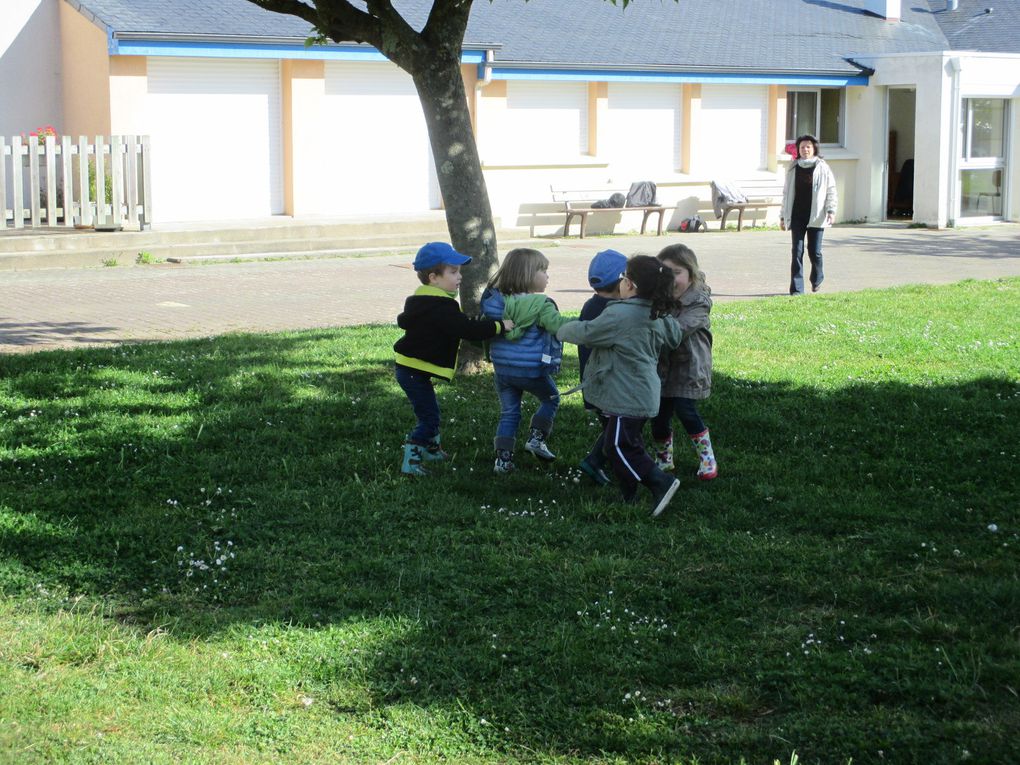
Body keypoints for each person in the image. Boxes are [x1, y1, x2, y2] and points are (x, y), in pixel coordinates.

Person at [557, 255, 684, 518]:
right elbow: (674, 336)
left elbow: (588, 333)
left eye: (625, 277)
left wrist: (559, 329)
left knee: (617, 446)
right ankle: (628, 494)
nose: (622, 282)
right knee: (624, 443)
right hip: (641, 393)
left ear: (632, 285)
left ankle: (660, 482)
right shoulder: (656, 312)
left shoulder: (619, 313)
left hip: (627, 394)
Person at [394, 242, 514, 476]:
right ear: (433, 277)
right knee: (428, 417)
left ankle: (432, 449)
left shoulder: (422, 301)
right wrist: (499, 326)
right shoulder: (441, 306)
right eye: (453, 271)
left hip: (410, 368)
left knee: (431, 411)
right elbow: (467, 331)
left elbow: (414, 320)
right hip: (412, 371)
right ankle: (411, 461)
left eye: (459, 271)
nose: (459, 277)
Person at [480, 248, 571, 474]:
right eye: (543, 270)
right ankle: (536, 439)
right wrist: (586, 325)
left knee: (509, 412)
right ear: (528, 274)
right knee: (551, 399)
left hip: (503, 370)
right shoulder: (541, 305)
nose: (547, 276)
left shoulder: (494, 302)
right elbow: (558, 326)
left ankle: (503, 461)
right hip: (531, 371)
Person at [650, 244, 718, 480]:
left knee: (686, 410)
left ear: (690, 273)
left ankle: (707, 459)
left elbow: (679, 330)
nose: (671, 278)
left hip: (689, 367)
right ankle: (664, 459)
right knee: (658, 415)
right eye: (665, 272)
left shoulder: (698, 302)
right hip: (662, 368)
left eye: (677, 272)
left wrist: (651, 328)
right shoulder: (659, 298)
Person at [576, 249, 628, 486]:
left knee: (612, 428)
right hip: (610, 385)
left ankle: (599, 461)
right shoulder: (615, 312)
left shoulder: (590, 306)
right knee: (620, 432)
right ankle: (596, 462)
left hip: (593, 383)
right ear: (622, 281)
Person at [780, 134, 837, 295]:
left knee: (815, 251)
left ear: (814, 149)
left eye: (808, 147)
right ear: (798, 150)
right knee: (797, 251)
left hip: (816, 216)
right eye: (802, 147)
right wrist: (783, 216)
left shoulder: (822, 167)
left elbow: (831, 190)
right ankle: (797, 289)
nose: (805, 150)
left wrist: (831, 210)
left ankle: (817, 277)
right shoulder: (793, 168)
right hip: (797, 215)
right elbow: (786, 194)